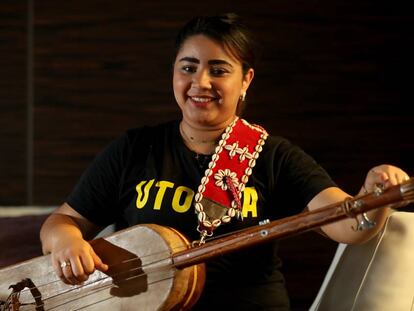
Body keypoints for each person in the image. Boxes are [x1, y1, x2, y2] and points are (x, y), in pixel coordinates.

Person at [40, 13, 410, 310]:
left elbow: (348, 226)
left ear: (246, 80)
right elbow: (62, 222)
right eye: (188, 67)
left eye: (218, 70)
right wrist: (66, 242)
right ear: (173, 72)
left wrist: (374, 193)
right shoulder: (135, 149)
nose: (200, 82)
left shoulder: (273, 155)